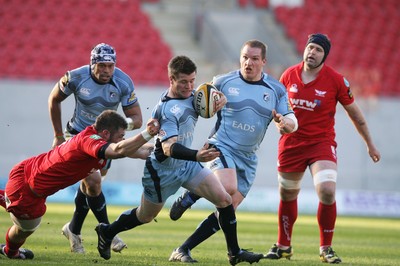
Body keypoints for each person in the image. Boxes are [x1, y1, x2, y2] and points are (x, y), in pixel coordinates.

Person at [93, 55, 264, 265]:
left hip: (187, 166)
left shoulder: (193, 95)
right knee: (145, 216)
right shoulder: (167, 109)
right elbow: (168, 147)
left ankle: (234, 252)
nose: (189, 86)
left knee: (225, 200)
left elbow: (205, 106)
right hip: (162, 172)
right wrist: (197, 155)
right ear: (171, 80)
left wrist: (220, 102)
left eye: (192, 80)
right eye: (184, 81)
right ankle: (107, 231)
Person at [167, 39, 298, 263]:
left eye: (254, 59)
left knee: (227, 209)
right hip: (221, 146)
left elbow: (293, 120)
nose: (249, 62)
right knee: (227, 188)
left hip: (248, 158)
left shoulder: (275, 89)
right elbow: (196, 101)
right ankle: (192, 197)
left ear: (264, 61)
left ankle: (183, 248)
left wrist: (286, 123)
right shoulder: (223, 81)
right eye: (245, 57)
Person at [264, 33, 381, 264]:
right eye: (310, 48)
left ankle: (326, 248)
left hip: (321, 143)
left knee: (327, 190)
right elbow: (276, 109)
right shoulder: (288, 75)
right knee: (287, 194)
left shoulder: (336, 80)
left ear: (324, 54)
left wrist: (370, 145)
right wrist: (279, 122)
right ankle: (283, 246)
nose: (312, 52)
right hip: (292, 144)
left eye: (318, 49)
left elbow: (356, 116)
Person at [0, 110, 159, 260]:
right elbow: (119, 150)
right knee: (25, 229)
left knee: (17, 207)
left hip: (25, 171)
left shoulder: (97, 140)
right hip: (27, 192)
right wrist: (147, 133)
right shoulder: (90, 142)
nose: (123, 140)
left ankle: (6, 198)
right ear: (105, 134)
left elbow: (142, 151)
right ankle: (10, 251)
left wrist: (167, 147)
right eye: (120, 136)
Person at [48, 43, 144, 254]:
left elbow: (137, 119)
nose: (106, 71)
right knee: (93, 180)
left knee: (91, 186)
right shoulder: (75, 77)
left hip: (104, 140)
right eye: (101, 66)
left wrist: (119, 124)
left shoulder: (123, 81)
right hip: (78, 136)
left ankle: (73, 229)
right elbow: (54, 99)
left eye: (110, 66)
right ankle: (108, 231)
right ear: (92, 64)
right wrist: (57, 135)